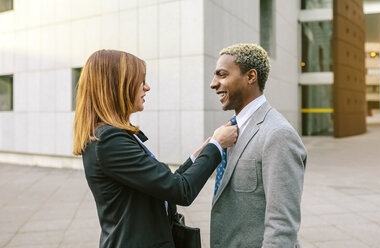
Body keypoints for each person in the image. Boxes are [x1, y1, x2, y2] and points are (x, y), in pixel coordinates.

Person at [72, 49, 238, 248]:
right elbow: (180, 190)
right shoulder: (110, 140)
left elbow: (162, 184)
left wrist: (199, 155)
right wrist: (216, 146)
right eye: (141, 81)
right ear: (118, 85)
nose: (147, 87)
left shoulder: (109, 136)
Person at [209, 44, 307, 247]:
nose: (213, 83)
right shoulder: (230, 130)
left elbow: (282, 226)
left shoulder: (278, 134)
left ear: (251, 77)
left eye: (222, 75)